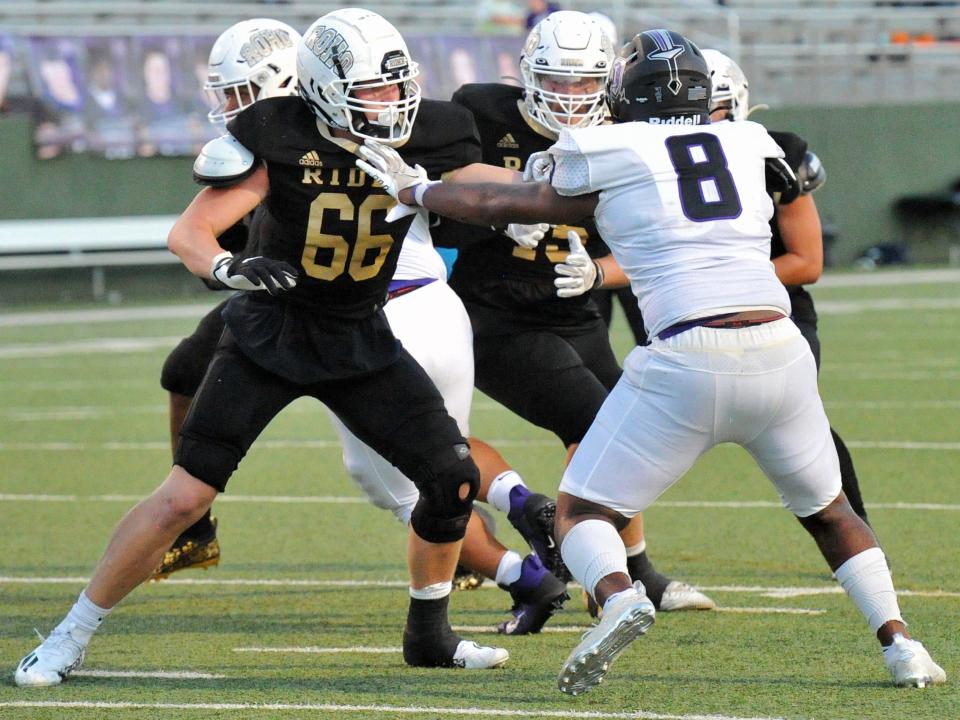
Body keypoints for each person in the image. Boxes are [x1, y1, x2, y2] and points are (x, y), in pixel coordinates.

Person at [354, 28, 946, 693]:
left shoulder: (610, 143)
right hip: (780, 353)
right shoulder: (752, 143)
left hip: (687, 357)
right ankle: (900, 643)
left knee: (581, 513)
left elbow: (508, 200)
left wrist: (416, 192)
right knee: (831, 512)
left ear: (624, 92)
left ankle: (618, 595)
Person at [14, 9, 510, 688]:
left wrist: (568, 189)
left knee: (451, 478)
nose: (392, 102)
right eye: (373, 89)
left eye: (398, 87)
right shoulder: (278, 132)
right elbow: (191, 232)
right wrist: (227, 268)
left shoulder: (429, 134)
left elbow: (493, 190)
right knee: (184, 499)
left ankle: (430, 636)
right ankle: (68, 636)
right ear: (326, 86)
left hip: (360, 336)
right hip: (271, 335)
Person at [437, 10, 714, 613]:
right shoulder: (481, 112)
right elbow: (437, 194)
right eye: (556, 81)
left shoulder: (625, 126)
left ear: (607, 81)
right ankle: (613, 573)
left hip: (575, 304)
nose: (569, 95)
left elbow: (650, 229)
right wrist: (496, 211)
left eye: (585, 82)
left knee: (625, 432)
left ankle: (627, 568)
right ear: (527, 74)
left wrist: (598, 272)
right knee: (600, 425)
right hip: (494, 310)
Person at [701, 47, 872, 526]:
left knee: (801, 430)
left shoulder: (776, 154)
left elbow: (807, 261)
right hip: (686, 318)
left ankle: (857, 535)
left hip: (777, 313)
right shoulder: (648, 156)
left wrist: (724, 277)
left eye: (706, 106)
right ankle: (619, 557)